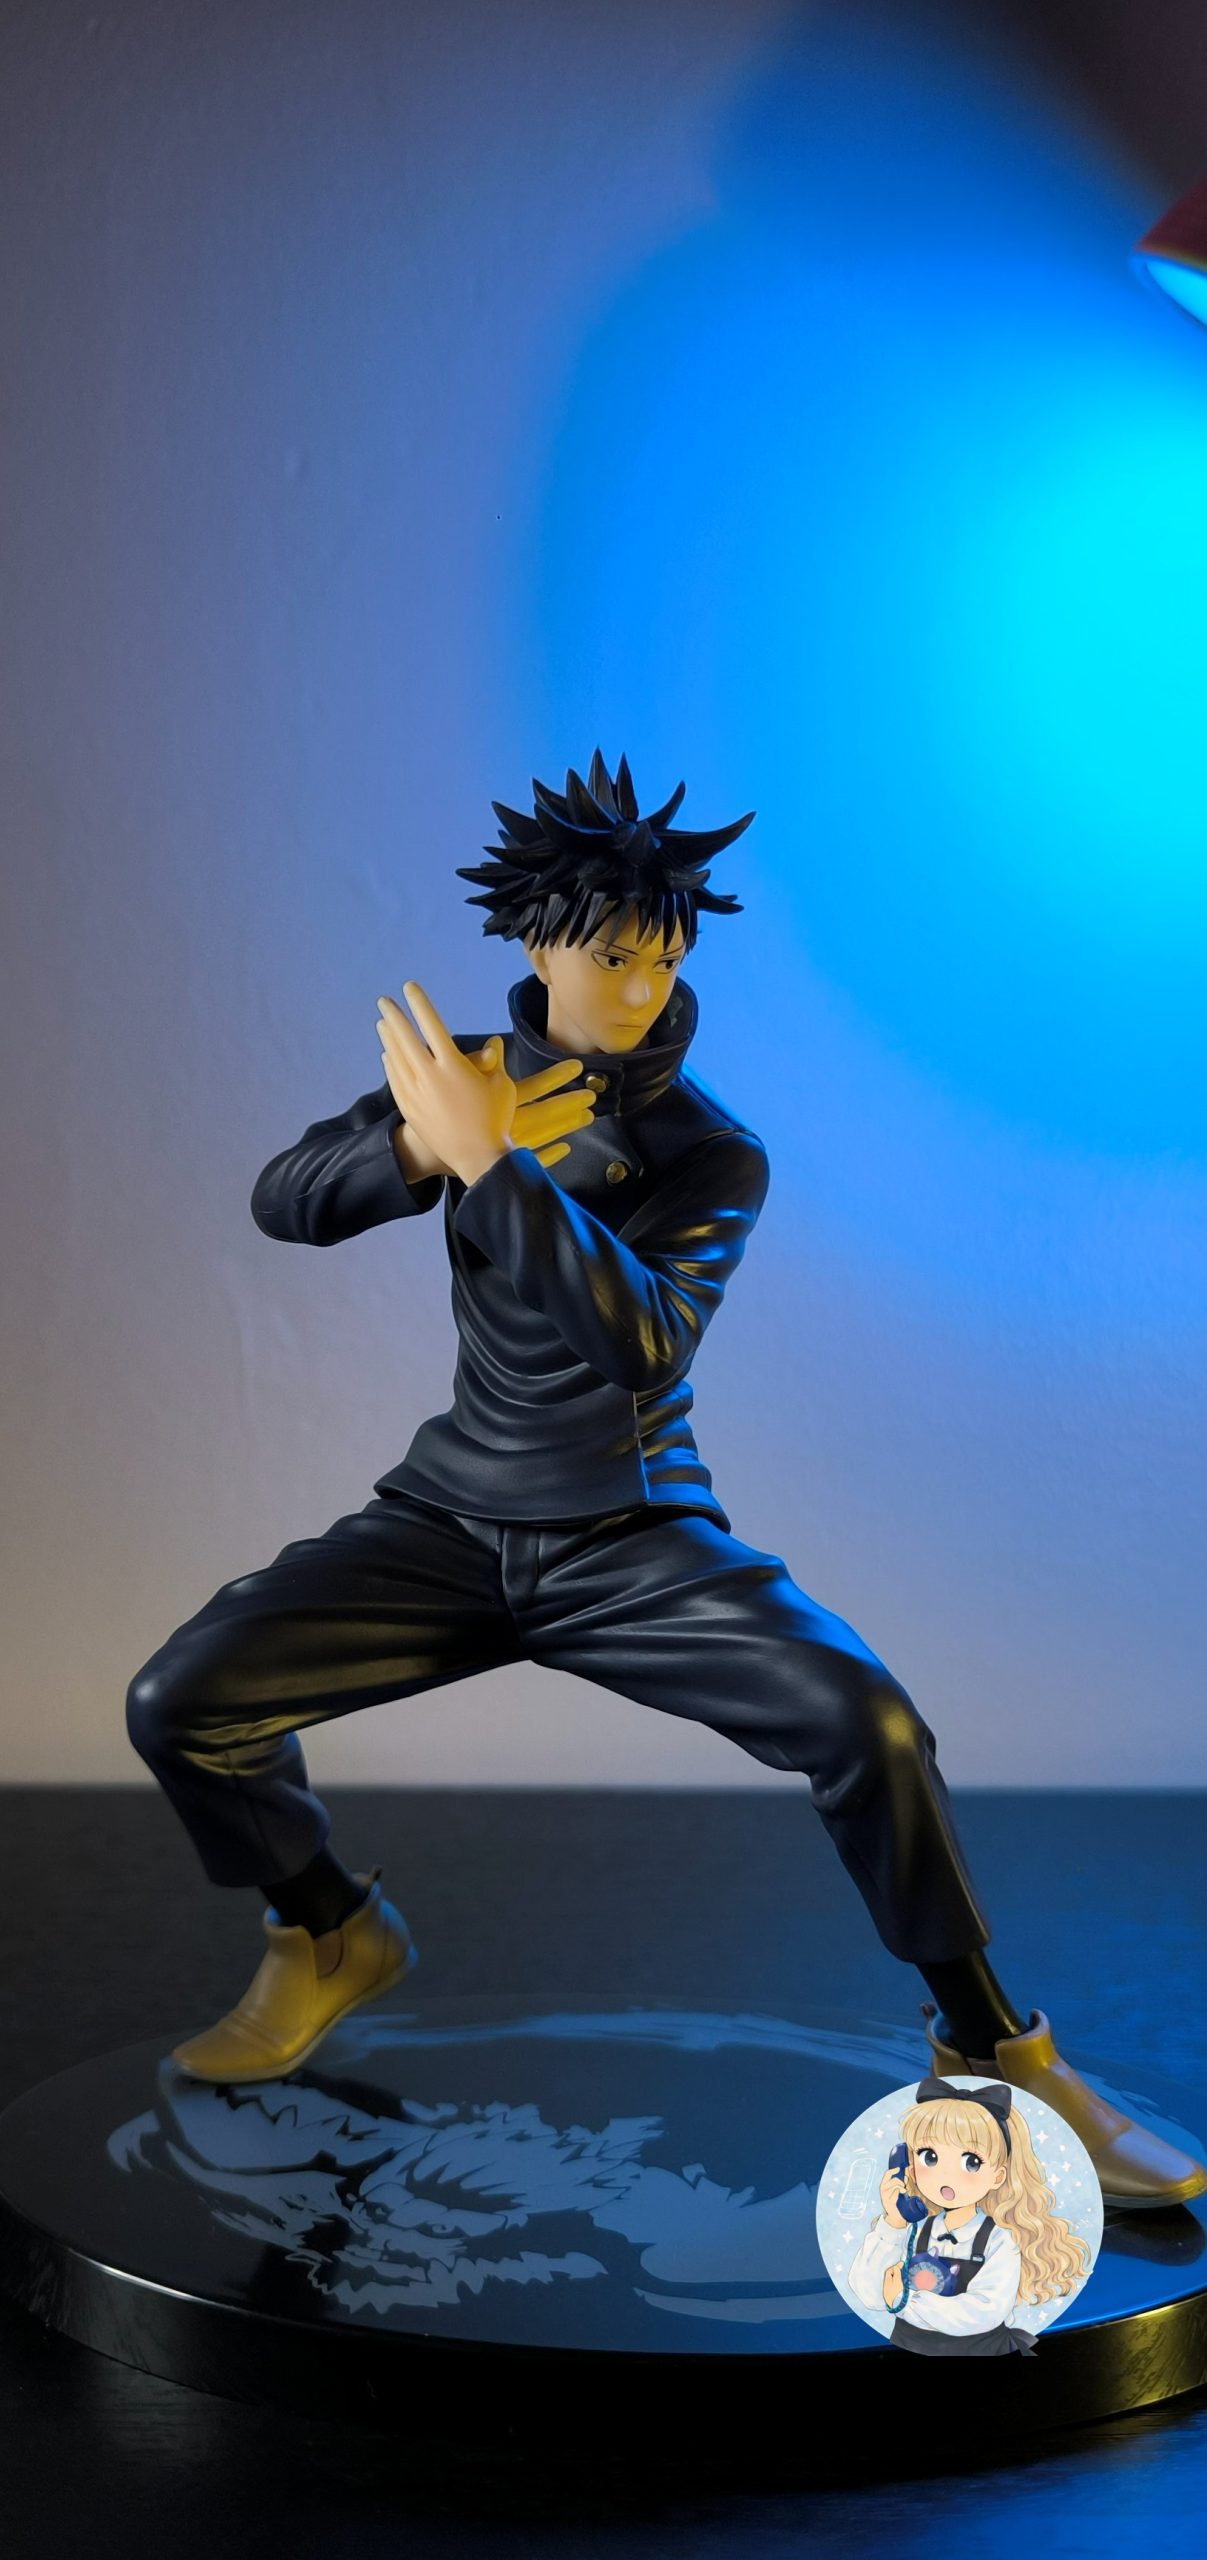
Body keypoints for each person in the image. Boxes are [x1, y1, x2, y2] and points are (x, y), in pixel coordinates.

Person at [126, 749, 1205, 2209]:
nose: (639, 987)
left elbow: (639, 1340)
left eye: (664, 957)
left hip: (628, 1535)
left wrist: (497, 1172)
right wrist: (419, 1142)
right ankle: (326, 1930)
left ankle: (996, 2050)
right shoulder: (465, 1081)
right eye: (609, 955)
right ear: (537, 944)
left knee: (869, 1725)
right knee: (183, 1701)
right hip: (449, 1518)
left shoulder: (710, 1153)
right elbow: (284, 1199)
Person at [848, 2076, 1091, 2356]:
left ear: (998, 2176)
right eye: (929, 2157)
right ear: (910, 2167)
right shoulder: (914, 2230)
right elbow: (870, 2294)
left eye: (971, 2162)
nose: (946, 2175)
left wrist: (906, 2301)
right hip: (908, 2345)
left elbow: (984, 2311)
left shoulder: (998, 2240)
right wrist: (893, 2222)